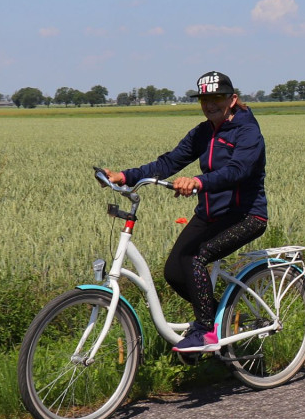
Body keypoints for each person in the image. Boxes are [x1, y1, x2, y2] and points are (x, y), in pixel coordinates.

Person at [104, 71, 268, 352]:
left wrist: (198, 182)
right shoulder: (204, 132)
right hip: (210, 214)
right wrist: (125, 176)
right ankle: (220, 320)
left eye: (216, 98)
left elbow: (237, 170)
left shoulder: (247, 131)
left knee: (195, 257)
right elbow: (169, 162)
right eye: (204, 99)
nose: (209, 104)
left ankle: (206, 331)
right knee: (173, 272)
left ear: (232, 99)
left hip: (246, 215)